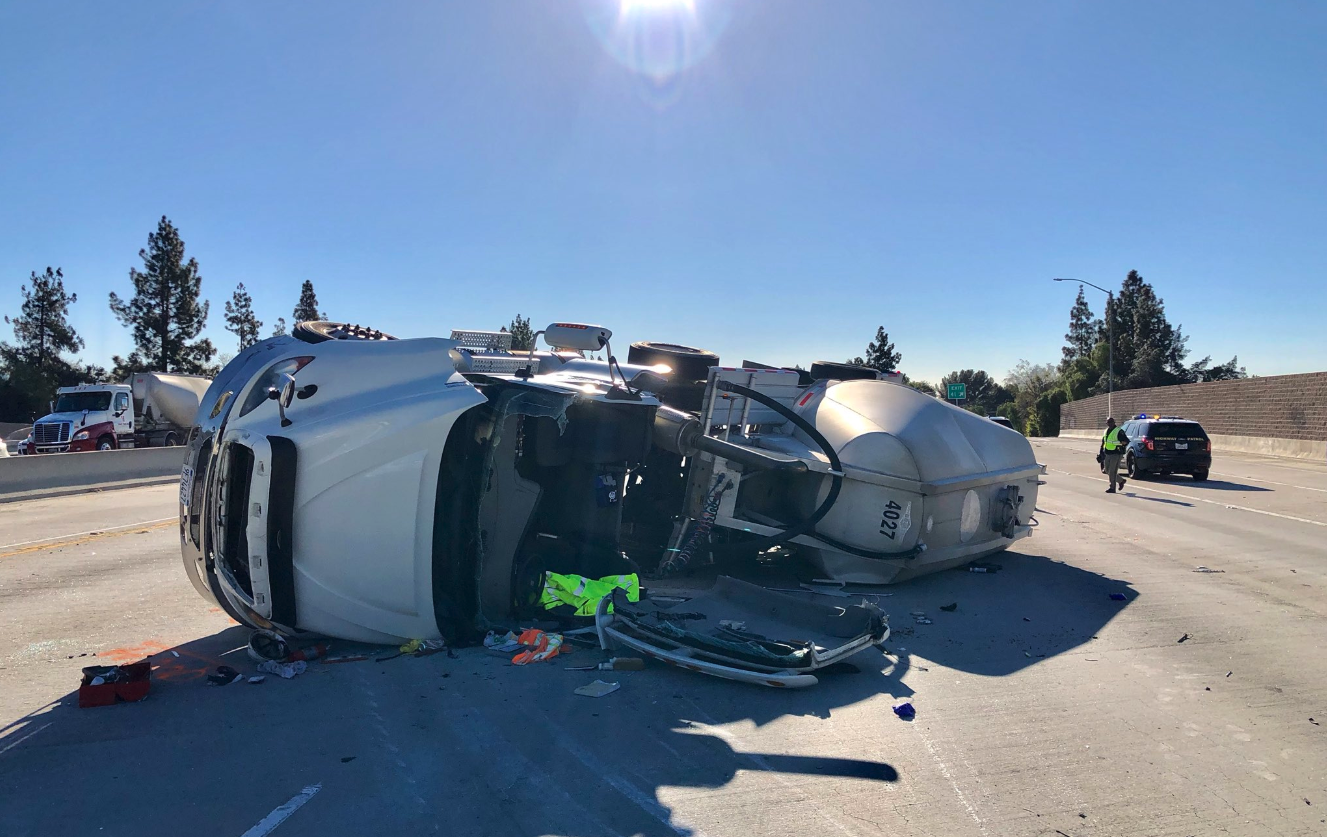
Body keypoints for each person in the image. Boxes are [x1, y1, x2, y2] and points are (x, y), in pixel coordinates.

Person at [1100, 417, 1128, 493]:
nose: (1109, 424)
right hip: (1107, 453)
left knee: (1112, 471)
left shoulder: (1119, 431)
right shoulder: (1106, 431)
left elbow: (1126, 441)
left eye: (1110, 422)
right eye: (1108, 423)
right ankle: (1121, 481)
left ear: (1114, 423)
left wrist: (1120, 444)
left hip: (1116, 454)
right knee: (1106, 470)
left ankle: (1112, 488)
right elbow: (1103, 442)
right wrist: (1101, 453)